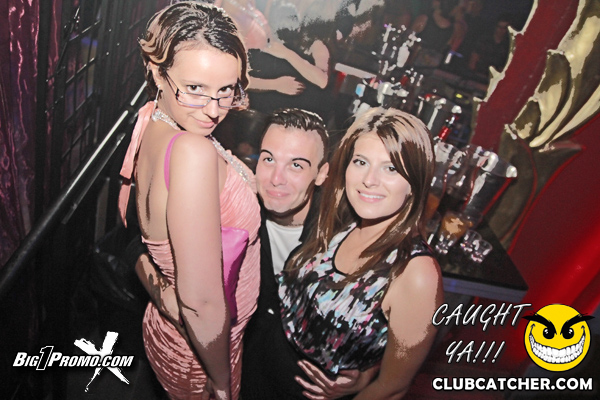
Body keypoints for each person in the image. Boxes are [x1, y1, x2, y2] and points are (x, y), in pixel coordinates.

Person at [118, 3, 260, 399]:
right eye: (195, 88)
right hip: (203, 355)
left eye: (226, 90)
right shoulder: (191, 152)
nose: (213, 111)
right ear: (157, 71)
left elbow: (128, 220)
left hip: (175, 335)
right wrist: (221, 383)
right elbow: (199, 304)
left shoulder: (151, 117)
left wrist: (160, 289)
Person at [278, 107, 444, 399]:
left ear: (414, 183)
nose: (369, 179)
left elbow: (392, 388)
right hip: (266, 367)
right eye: (361, 162)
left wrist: (367, 378)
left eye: (390, 168)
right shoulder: (346, 219)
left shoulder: (416, 274)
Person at [241, 108, 378, 399]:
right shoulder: (237, 209)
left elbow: (383, 314)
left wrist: (368, 374)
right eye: (268, 159)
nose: (276, 178)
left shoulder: (346, 232)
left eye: (296, 165)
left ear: (321, 174)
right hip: (239, 378)